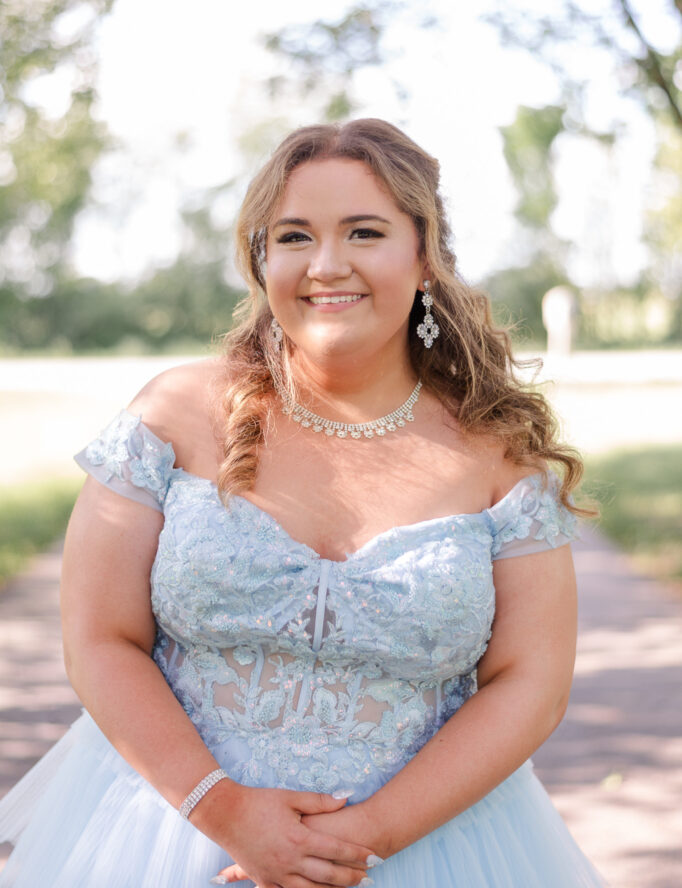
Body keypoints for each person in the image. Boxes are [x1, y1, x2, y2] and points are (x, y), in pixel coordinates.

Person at [0, 118, 606, 888]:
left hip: (425, 847)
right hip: (172, 831)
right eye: (293, 236)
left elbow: (532, 683)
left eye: (363, 232)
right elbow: (98, 637)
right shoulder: (173, 417)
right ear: (262, 261)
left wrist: (358, 843)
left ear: (425, 258)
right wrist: (225, 813)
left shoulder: (497, 455)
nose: (326, 264)